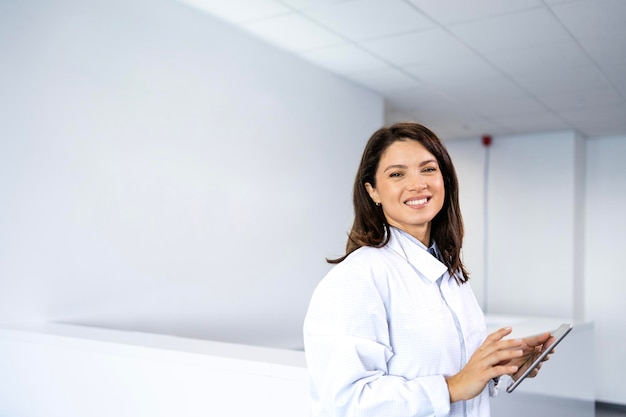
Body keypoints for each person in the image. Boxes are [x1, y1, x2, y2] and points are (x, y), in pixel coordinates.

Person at [303, 122, 552, 417]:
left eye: (428, 169)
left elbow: (456, 371)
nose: (418, 184)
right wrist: (452, 387)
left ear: (444, 179)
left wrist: (498, 367)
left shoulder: (449, 273)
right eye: (397, 174)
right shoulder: (357, 278)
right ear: (373, 191)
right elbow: (346, 402)